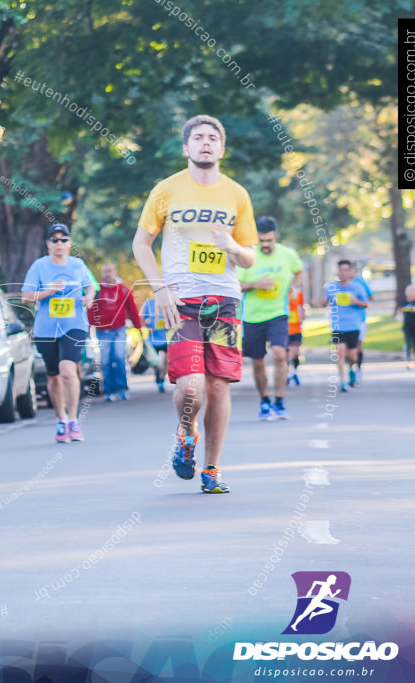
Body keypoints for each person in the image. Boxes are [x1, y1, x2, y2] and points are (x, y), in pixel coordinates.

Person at [132, 114, 256, 494]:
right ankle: (187, 434)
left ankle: (212, 469)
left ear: (222, 148)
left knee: (218, 387)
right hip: (180, 302)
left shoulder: (237, 194)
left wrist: (231, 247)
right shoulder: (166, 190)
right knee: (190, 389)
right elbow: (141, 243)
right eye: (198, 137)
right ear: (186, 148)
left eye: (212, 137)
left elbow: (249, 257)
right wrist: (160, 289)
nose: (206, 142)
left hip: (224, 302)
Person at [22, 223, 97, 443]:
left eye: (64, 240)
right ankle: (61, 419)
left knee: (68, 370)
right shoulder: (39, 266)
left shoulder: (78, 265)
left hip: (74, 325)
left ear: (69, 243)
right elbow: (26, 296)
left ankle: (73, 420)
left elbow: (91, 286)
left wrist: (89, 297)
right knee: (54, 377)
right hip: (46, 328)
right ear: (48, 244)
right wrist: (49, 291)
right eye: (54, 240)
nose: (59, 244)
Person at [237, 216, 303, 420]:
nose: (265, 245)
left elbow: (299, 271)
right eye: (262, 241)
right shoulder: (247, 256)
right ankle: (264, 400)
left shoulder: (288, 254)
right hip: (252, 316)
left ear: (276, 238)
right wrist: (255, 285)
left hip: (278, 313)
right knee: (258, 363)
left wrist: (295, 287)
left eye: (269, 241)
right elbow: (235, 283)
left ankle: (280, 401)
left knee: (279, 354)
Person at [88, 263, 143, 401]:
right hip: (103, 331)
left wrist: (138, 326)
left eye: (110, 271)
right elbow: (91, 309)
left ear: (114, 272)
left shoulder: (123, 289)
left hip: (119, 329)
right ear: (102, 273)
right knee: (106, 360)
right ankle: (109, 390)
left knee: (119, 358)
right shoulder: (97, 290)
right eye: (105, 271)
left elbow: (132, 309)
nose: (107, 273)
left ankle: (122, 388)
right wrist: (90, 325)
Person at [324, 260, 369, 392]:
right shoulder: (331, 287)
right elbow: (324, 302)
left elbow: (366, 304)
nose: (343, 273)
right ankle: (342, 381)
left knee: (352, 355)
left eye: (345, 270)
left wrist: (356, 301)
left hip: (353, 325)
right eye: (340, 270)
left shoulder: (357, 287)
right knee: (340, 352)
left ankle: (352, 369)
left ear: (350, 272)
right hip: (338, 325)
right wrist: (324, 302)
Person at [141, 295, 169, 393]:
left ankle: (162, 378)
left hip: (166, 337)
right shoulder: (149, 303)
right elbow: (142, 318)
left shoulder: (168, 303)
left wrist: (169, 325)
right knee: (155, 362)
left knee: (167, 359)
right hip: (153, 338)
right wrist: (147, 328)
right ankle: (158, 373)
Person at [286, 286, 306, 386]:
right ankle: (288, 374)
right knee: (287, 354)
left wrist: (302, 316)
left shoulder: (299, 293)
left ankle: (294, 372)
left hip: (296, 328)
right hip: (284, 328)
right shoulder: (281, 291)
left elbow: (301, 308)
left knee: (295, 353)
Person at [399, 285, 415, 370]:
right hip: (407, 325)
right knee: (408, 343)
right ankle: (408, 361)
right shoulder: (403, 302)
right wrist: (410, 309)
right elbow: (401, 310)